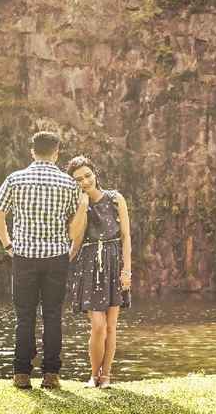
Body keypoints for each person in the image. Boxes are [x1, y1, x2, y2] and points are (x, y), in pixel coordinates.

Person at [0, 131, 84, 389]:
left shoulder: (15, 179)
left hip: (24, 257)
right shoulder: (68, 184)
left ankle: (21, 374)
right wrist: (71, 248)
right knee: (53, 315)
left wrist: (8, 244)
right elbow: (79, 221)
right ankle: (51, 375)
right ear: (56, 152)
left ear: (32, 151)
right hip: (57, 257)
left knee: (24, 316)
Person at [66, 155, 132, 389]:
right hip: (90, 265)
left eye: (87, 175)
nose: (84, 181)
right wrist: (83, 207)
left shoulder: (116, 199)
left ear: (95, 173)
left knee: (112, 326)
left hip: (114, 262)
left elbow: (125, 237)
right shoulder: (76, 206)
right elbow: (75, 238)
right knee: (98, 325)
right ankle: (94, 375)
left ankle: (106, 376)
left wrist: (127, 270)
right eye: (78, 179)